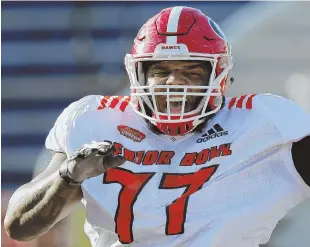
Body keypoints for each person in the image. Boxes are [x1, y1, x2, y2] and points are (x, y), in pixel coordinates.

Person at [4, 6, 310, 247]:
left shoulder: (265, 124)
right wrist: (68, 177)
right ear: (137, 73)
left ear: (218, 76)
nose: (174, 83)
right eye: (161, 71)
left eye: (190, 71)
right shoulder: (95, 121)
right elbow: (20, 225)